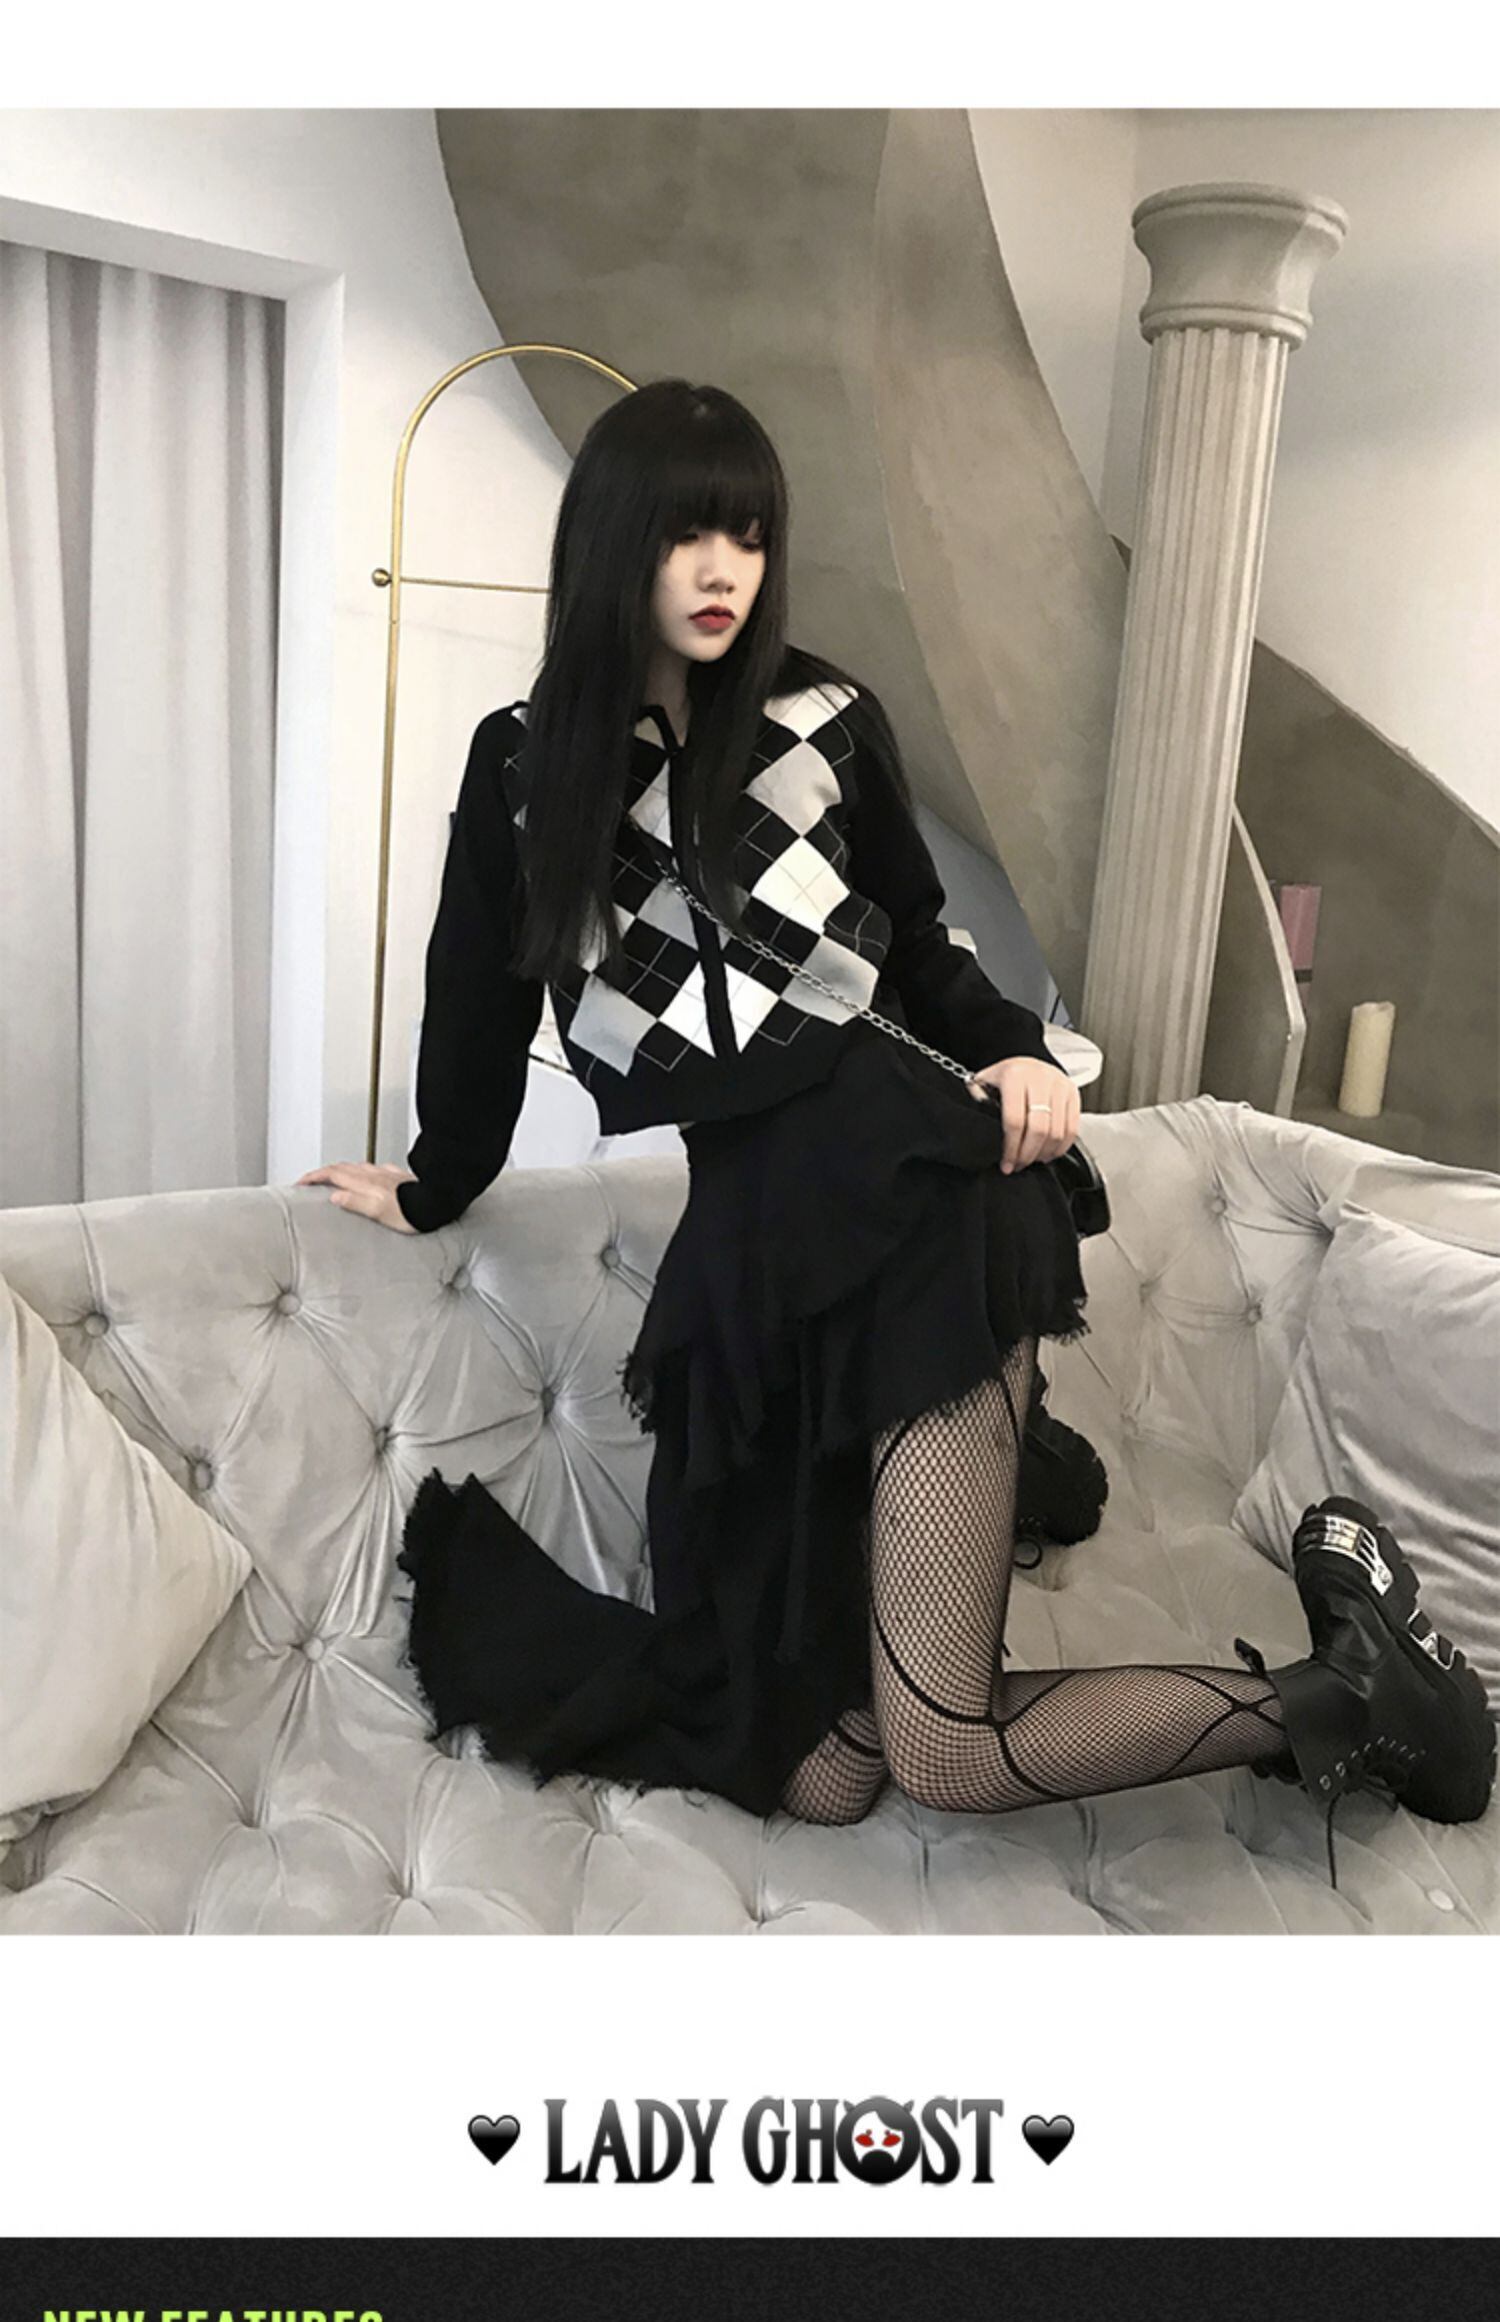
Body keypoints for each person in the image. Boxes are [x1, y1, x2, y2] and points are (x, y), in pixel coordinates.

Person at [296, 380, 1494, 1888]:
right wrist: (436, 1178)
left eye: (749, 534)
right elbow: (472, 987)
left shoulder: (825, 720)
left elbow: (920, 948)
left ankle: (1350, 1694)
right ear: (612, 544)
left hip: (916, 1188)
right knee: (815, 1773)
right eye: (684, 534)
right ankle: (995, 1465)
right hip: (755, 1239)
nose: (723, 568)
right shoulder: (527, 761)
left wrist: (1014, 1048)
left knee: (942, 1753)